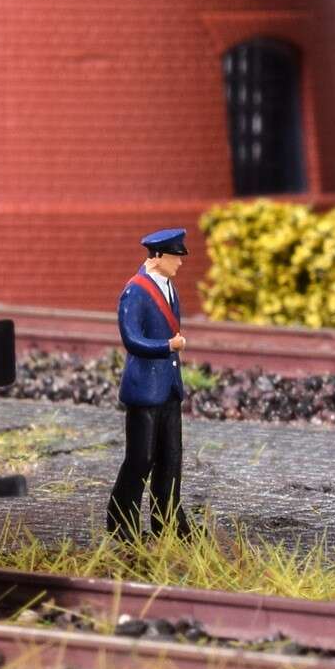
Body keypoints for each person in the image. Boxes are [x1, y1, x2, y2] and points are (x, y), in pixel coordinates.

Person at [106, 227, 194, 542]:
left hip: (168, 387)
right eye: (175, 257)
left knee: (171, 457)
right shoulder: (136, 291)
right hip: (144, 390)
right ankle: (121, 523)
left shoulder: (170, 289)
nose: (180, 263)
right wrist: (167, 346)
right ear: (157, 257)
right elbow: (132, 338)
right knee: (140, 459)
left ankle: (168, 520)